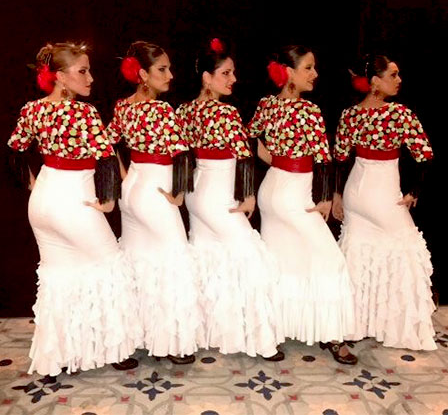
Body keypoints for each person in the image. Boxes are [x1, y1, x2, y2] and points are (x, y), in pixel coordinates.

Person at [7, 42, 141, 378]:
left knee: (60, 278)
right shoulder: (84, 112)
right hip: (73, 203)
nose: (91, 78)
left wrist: (34, 186)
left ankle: (62, 354)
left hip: (42, 203)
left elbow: (15, 151)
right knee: (111, 268)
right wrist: (109, 200)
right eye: (83, 71)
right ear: (61, 77)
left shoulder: (31, 110)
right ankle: (116, 349)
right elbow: (107, 157)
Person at [247, 45, 357, 365]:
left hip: (273, 190)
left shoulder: (266, 104)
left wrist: (273, 159)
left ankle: (273, 331)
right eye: (308, 67)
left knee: (283, 262)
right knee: (328, 259)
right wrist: (325, 198)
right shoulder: (309, 110)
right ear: (289, 72)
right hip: (292, 193)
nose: (315, 74)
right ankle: (333, 337)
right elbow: (324, 158)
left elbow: (248, 137)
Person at [176, 38, 284, 361]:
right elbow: (245, 156)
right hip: (219, 197)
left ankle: (208, 332)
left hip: (197, 194)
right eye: (225, 73)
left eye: (233, 73)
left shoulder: (183, 110)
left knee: (210, 262)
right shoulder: (226, 113)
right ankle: (260, 341)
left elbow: (181, 157)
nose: (233, 80)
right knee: (249, 258)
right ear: (207, 77)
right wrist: (248, 194)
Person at [106, 41, 204, 364]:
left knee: (136, 262)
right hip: (154, 191)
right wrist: (178, 194)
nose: (170, 75)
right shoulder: (161, 109)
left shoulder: (122, 106)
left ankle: (131, 339)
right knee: (174, 261)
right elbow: (183, 155)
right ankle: (173, 343)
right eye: (162, 69)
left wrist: (126, 178)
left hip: (133, 189)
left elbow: (106, 146)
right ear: (143, 75)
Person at [333, 54, 436, 350]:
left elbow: (339, 159)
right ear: (375, 81)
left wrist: (338, 194)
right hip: (383, 194)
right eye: (393, 74)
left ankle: (354, 324)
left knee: (358, 255)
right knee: (404, 253)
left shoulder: (350, 114)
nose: (399, 79)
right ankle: (400, 329)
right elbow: (424, 155)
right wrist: (414, 191)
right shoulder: (400, 113)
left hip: (355, 191)